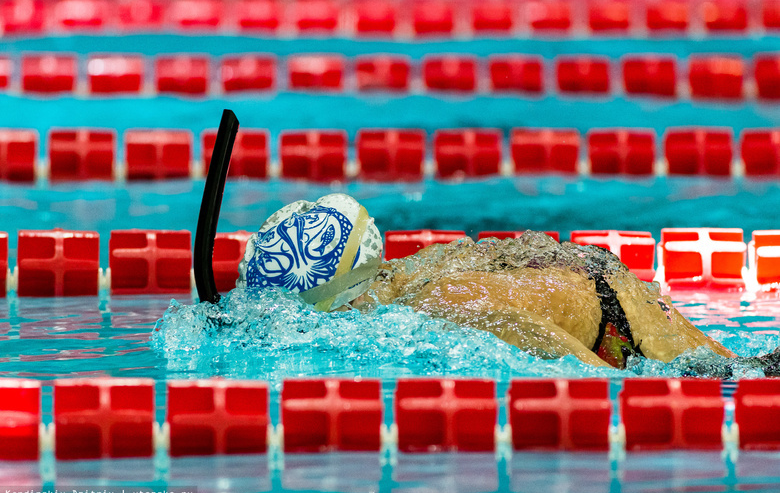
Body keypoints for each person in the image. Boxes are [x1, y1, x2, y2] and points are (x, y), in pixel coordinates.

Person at [234, 193, 780, 375]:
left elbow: (577, 366)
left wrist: (634, 397)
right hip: (590, 279)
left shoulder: (440, 303)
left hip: (618, 324)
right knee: (753, 369)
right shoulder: (410, 272)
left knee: (743, 378)